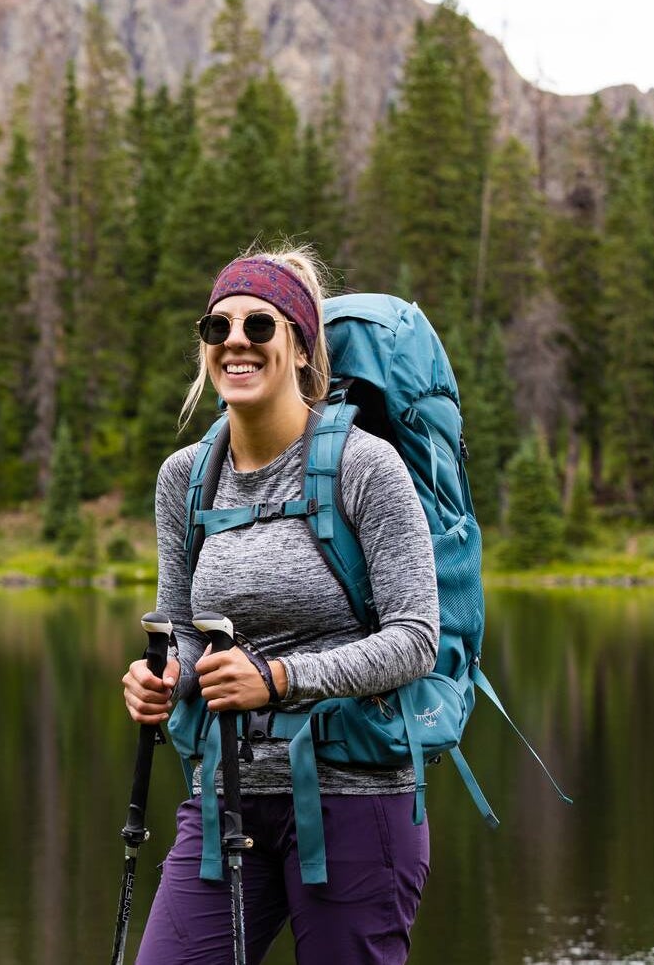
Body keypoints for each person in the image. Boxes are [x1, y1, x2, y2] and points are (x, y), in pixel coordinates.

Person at [121, 246, 439, 965]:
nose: (236, 340)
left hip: (356, 802)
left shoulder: (364, 465)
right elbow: (180, 628)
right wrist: (163, 678)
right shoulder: (187, 479)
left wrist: (280, 679)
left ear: (299, 347)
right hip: (224, 793)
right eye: (218, 326)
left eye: (260, 325)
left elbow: (416, 638)